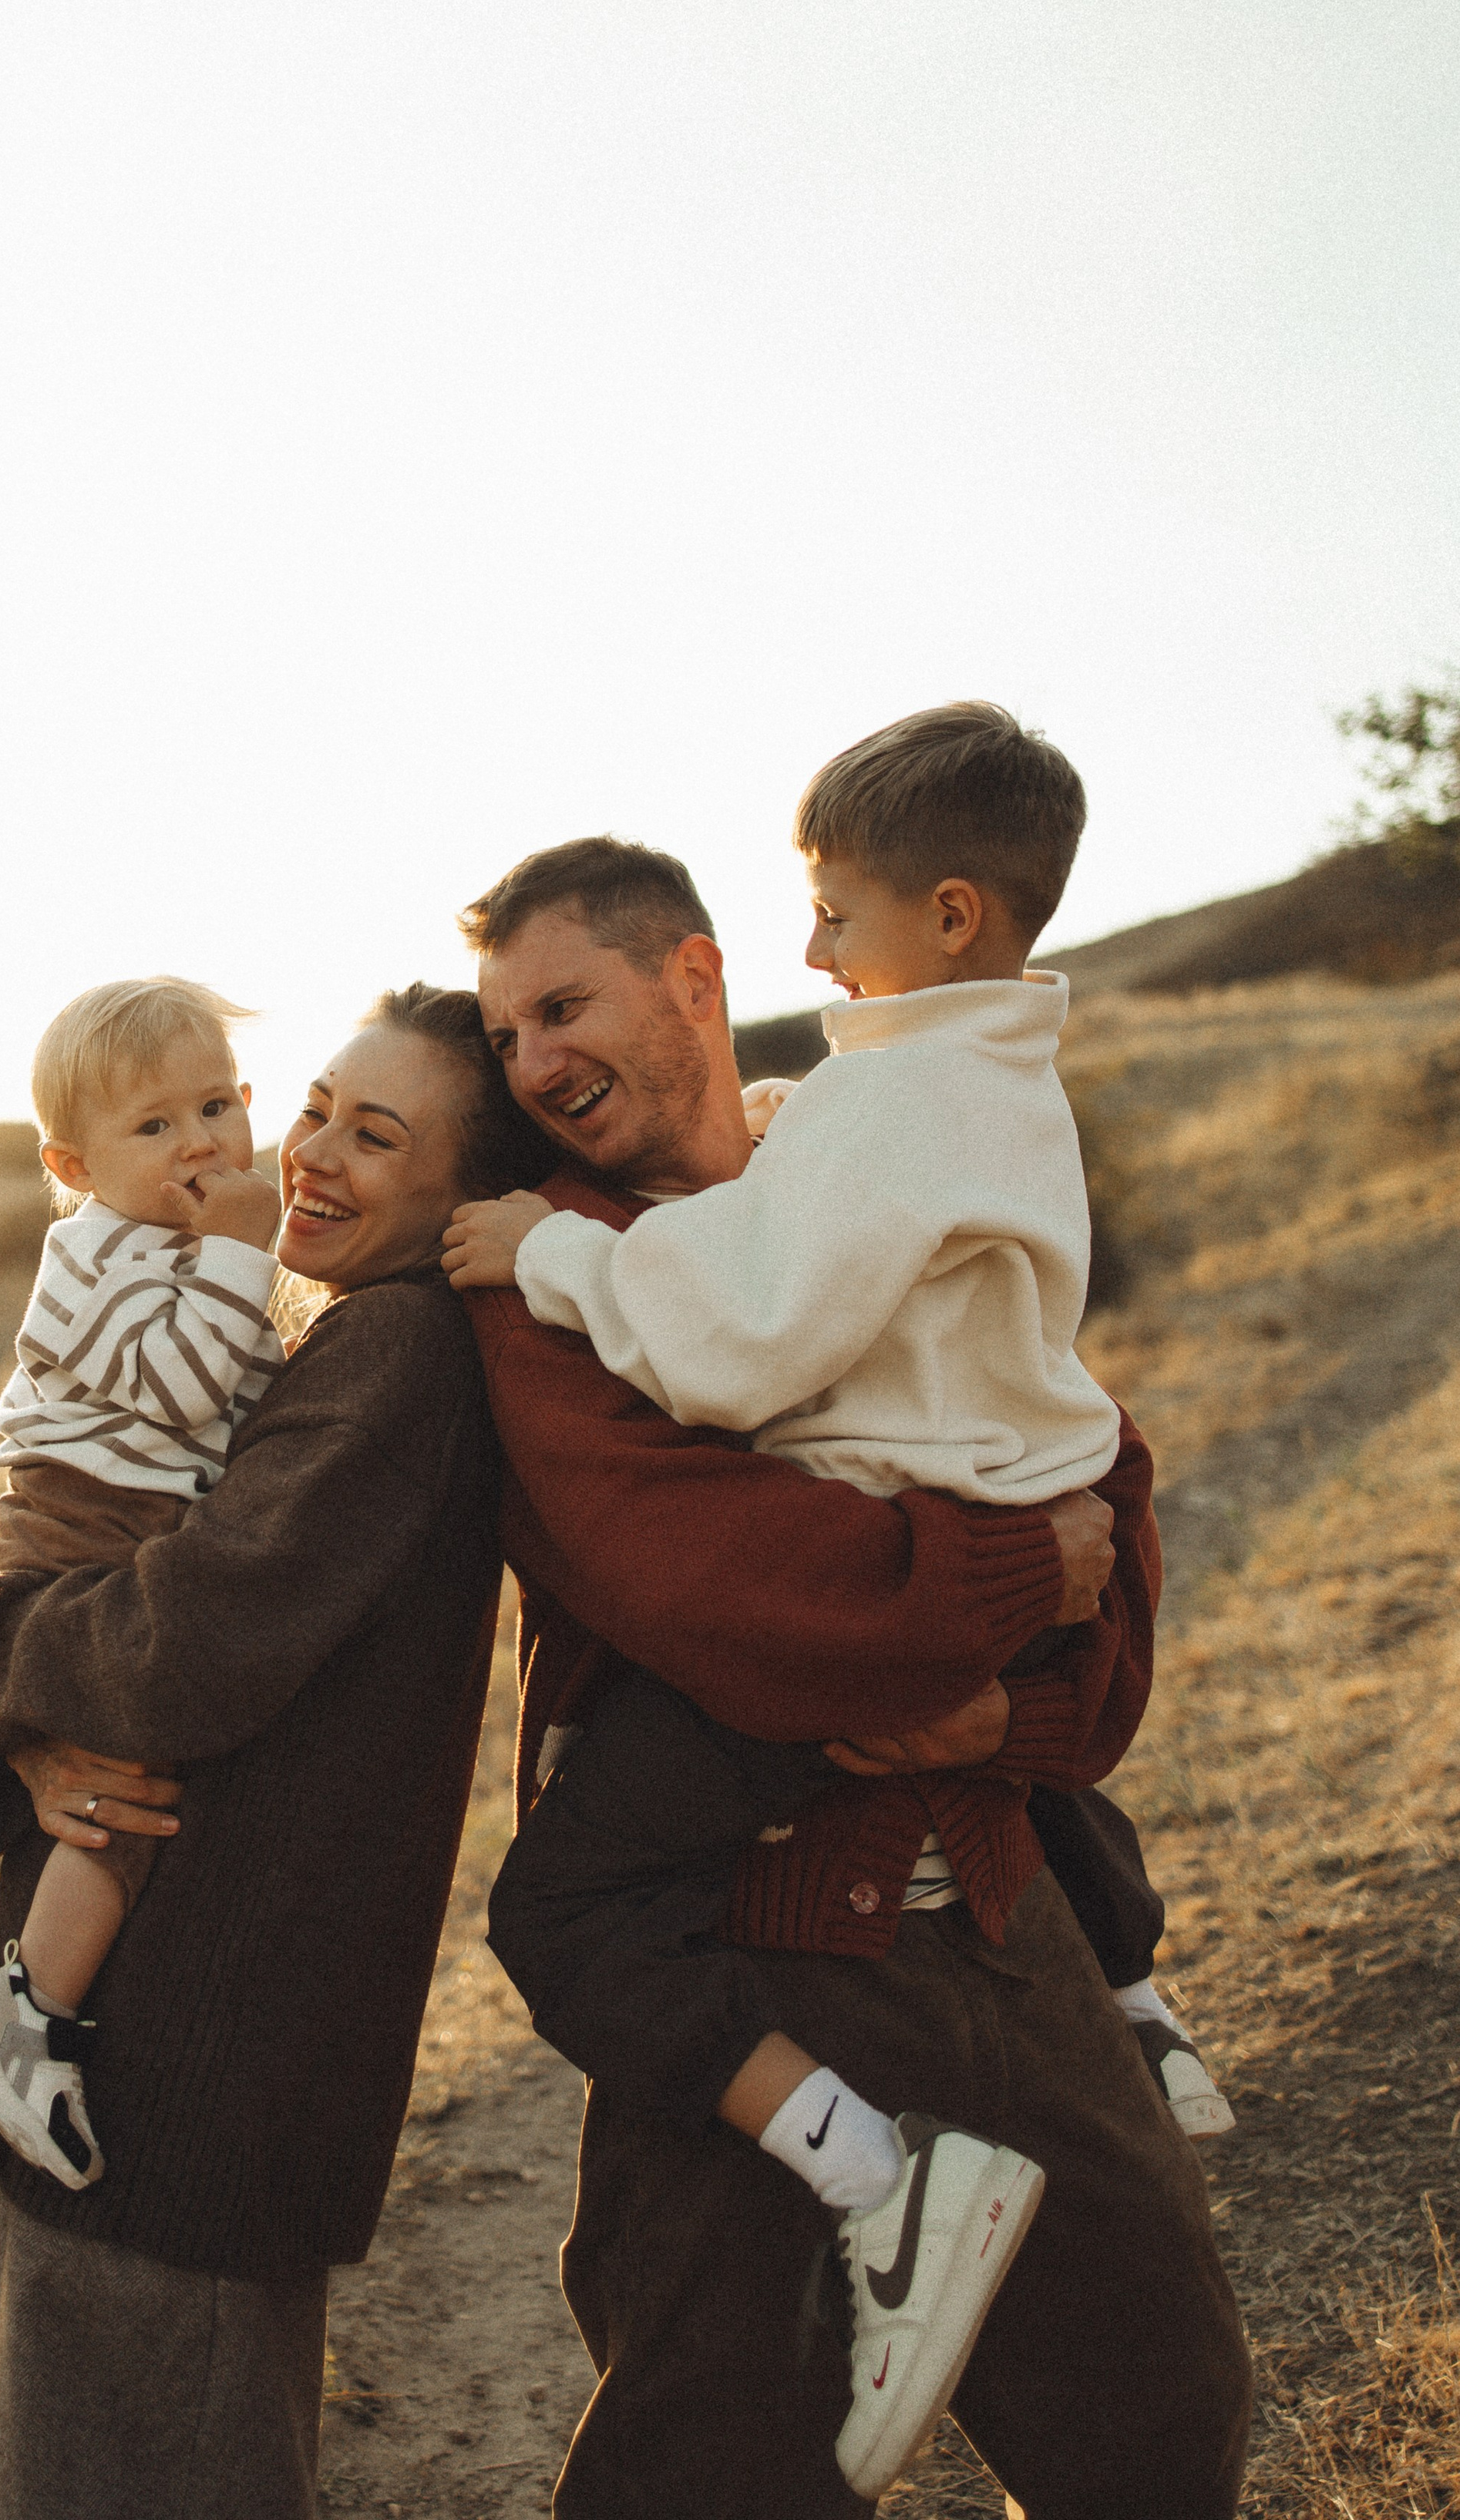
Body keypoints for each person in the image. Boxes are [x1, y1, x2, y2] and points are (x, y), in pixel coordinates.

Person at [446, 707, 1230, 2498]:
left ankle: (1129, 2015)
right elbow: (736, 1605)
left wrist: (1009, 1711)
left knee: (1162, 2415)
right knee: (716, 2464)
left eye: (563, 1008)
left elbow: (1104, 1533)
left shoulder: (869, 1144)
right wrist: (1017, 1577)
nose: (535, 1063)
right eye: (504, 1036)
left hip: (1003, 1911)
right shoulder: (541, 1284)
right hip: (762, 1950)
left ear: (694, 976)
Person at [0, 984, 557, 2520]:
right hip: (133, 2044)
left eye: (377, 1136)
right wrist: (27, 1741)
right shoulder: (321, 1331)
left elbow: (175, 1647)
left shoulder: (393, 1353)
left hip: (182, 2075)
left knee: (119, 2461)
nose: (310, 1156)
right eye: (316, 1109)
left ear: (461, 1194)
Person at [0, 977, 289, 2185]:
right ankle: (26, 2010)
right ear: (72, 1165)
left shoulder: (182, 1248)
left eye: (219, 1104)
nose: (203, 1141)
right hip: (85, 1523)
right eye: (154, 1125)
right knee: (125, 1772)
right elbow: (187, 1388)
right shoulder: (93, 1256)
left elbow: (242, 1390)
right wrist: (246, 1253)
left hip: (122, 1523)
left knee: (88, 1753)